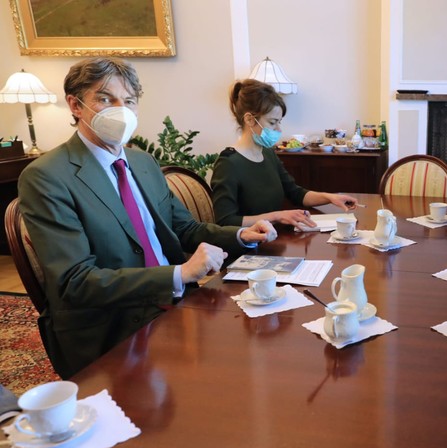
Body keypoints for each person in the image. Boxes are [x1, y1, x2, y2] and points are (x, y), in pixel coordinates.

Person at [17, 58, 277, 379]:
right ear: (75, 105)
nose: (120, 110)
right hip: (113, 324)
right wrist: (179, 273)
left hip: (176, 301)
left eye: (129, 101)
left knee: (261, 352)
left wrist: (240, 235)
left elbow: (184, 228)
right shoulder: (47, 177)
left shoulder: (142, 162)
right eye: (105, 99)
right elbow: (75, 282)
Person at [211, 79, 358, 229]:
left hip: (275, 237)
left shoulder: (268, 153)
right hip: (251, 242)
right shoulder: (228, 163)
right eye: (272, 122)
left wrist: (331, 198)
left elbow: (295, 193)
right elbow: (225, 222)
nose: (279, 130)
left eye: (279, 122)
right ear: (249, 119)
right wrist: (277, 216)